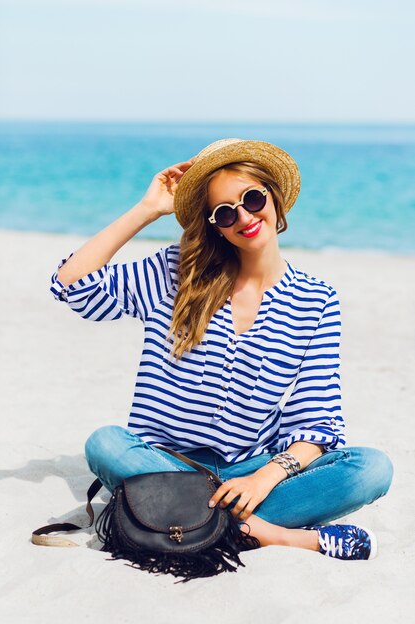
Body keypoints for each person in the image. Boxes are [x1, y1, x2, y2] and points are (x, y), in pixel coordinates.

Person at [51, 138, 393, 561]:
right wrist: (147, 210)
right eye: (226, 212)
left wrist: (263, 479)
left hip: (250, 468)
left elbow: (317, 420)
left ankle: (186, 518)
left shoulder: (316, 300)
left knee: (371, 468)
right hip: (164, 461)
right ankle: (264, 532)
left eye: (252, 198)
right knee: (105, 444)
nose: (245, 217)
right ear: (214, 224)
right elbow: (72, 287)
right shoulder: (175, 271)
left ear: (274, 196)